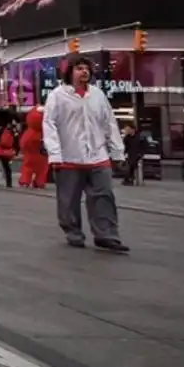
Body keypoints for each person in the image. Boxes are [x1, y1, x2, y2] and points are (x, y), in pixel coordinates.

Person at [43, 54, 129, 252]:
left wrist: (117, 152)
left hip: (99, 157)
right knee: (68, 200)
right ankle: (73, 232)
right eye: (79, 68)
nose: (84, 72)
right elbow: (49, 125)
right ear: (69, 72)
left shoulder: (98, 95)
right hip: (68, 158)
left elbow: (109, 124)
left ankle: (106, 235)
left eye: (87, 68)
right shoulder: (57, 96)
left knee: (104, 196)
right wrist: (55, 154)